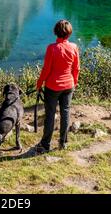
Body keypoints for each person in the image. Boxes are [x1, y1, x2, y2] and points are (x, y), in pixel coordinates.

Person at [34, 20, 80, 154]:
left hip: (53, 87)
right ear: (69, 33)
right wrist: (74, 82)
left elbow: (46, 70)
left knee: (50, 115)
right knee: (65, 112)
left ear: (56, 32)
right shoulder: (74, 47)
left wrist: (39, 83)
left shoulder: (52, 48)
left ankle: (45, 144)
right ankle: (63, 142)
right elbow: (76, 68)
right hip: (68, 85)